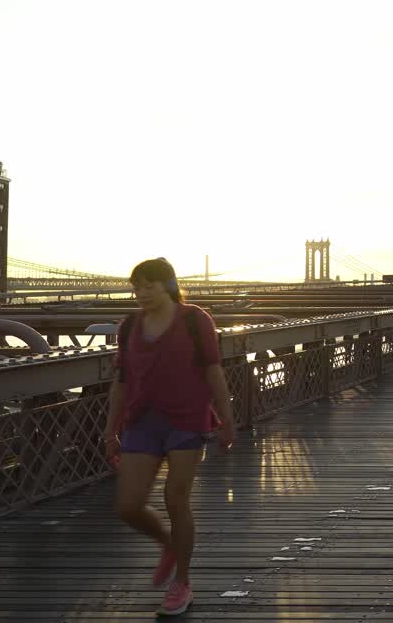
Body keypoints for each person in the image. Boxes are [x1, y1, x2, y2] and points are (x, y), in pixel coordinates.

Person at [102, 258, 234, 617]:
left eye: (149, 285)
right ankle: (168, 545)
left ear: (169, 285)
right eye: (136, 287)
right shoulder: (129, 326)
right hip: (142, 421)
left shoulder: (195, 319)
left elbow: (213, 371)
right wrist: (110, 427)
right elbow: (121, 381)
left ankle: (182, 583)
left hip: (187, 420)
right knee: (128, 506)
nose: (141, 293)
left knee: (175, 498)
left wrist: (227, 419)